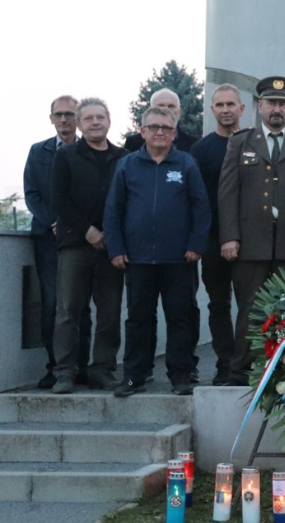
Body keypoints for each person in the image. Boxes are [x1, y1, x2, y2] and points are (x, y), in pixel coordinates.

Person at [218, 76, 285, 385]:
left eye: (283, 104)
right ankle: (242, 371)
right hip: (250, 243)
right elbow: (227, 194)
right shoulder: (240, 142)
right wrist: (229, 237)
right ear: (260, 106)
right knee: (250, 310)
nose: (276, 109)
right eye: (271, 103)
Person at [105, 107, 210, 397]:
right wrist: (116, 247)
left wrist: (195, 245)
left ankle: (181, 375)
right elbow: (113, 210)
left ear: (174, 133)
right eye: (153, 127)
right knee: (138, 318)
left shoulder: (186, 164)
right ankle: (134, 376)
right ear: (142, 132)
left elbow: (201, 208)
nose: (160, 132)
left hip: (179, 258)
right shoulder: (127, 165)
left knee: (180, 317)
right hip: (136, 258)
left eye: (165, 127)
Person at [49, 97, 128, 394]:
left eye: (100, 117)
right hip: (74, 243)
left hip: (112, 246)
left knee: (109, 311)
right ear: (80, 124)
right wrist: (87, 231)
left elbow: (128, 199)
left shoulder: (124, 157)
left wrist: (112, 233)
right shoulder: (66, 156)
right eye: (89, 118)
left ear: (108, 121)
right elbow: (59, 198)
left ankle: (103, 369)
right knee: (68, 309)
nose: (95, 122)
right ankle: (66, 371)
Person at [24, 95, 91, 388]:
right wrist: (54, 221)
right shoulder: (38, 152)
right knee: (52, 303)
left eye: (69, 114)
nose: (64, 119)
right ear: (51, 118)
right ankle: (55, 367)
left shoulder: (89, 151)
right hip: (47, 239)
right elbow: (32, 194)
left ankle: (82, 367)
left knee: (81, 306)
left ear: (78, 118)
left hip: (80, 239)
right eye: (59, 114)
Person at [190, 83, 245, 385]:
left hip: (251, 239)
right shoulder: (200, 151)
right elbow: (196, 200)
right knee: (218, 304)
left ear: (242, 109)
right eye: (220, 105)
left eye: (231, 104)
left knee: (251, 303)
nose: (226, 110)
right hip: (212, 241)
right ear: (212, 110)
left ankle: (249, 362)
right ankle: (225, 362)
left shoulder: (254, 144)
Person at [123, 88, 199, 153]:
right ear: (150, 110)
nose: (166, 110)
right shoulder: (134, 143)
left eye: (171, 106)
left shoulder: (195, 145)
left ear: (179, 112)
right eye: (160, 106)